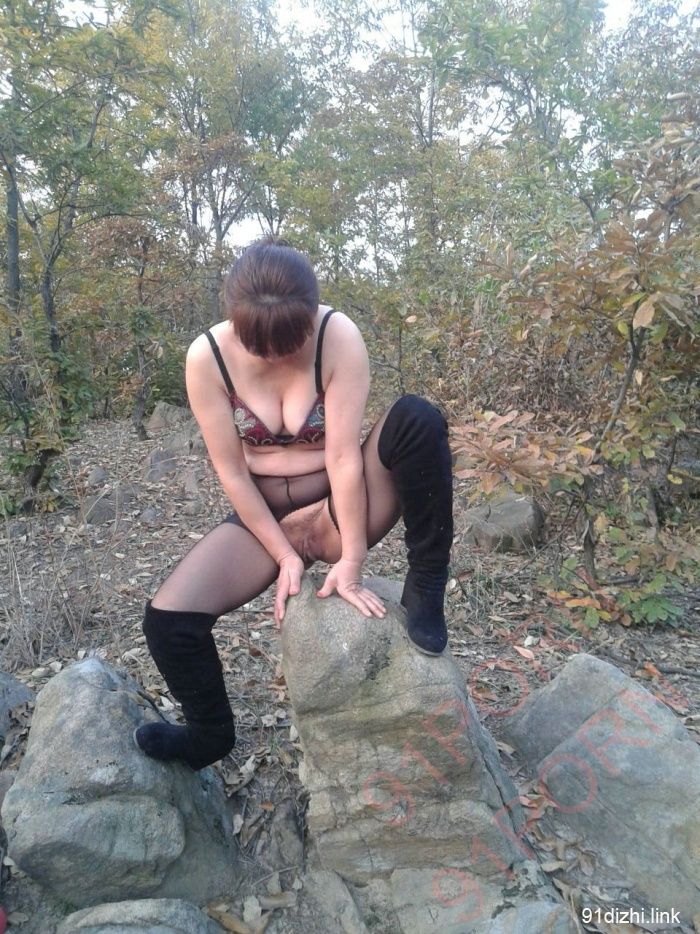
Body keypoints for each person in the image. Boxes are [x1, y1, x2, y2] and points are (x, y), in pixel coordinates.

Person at [134, 237, 453, 771]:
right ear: (235, 321)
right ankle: (209, 735)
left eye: (290, 342)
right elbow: (232, 472)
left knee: (417, 418)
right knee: (168, 623)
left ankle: (428, 581)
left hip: (337, 502)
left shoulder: (337, 335)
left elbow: (344, 459)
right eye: (262, 346)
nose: (278, 357)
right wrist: (283, 554)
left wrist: (352, 561)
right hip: (265, 515)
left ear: (310, 314)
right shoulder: (206, 357)